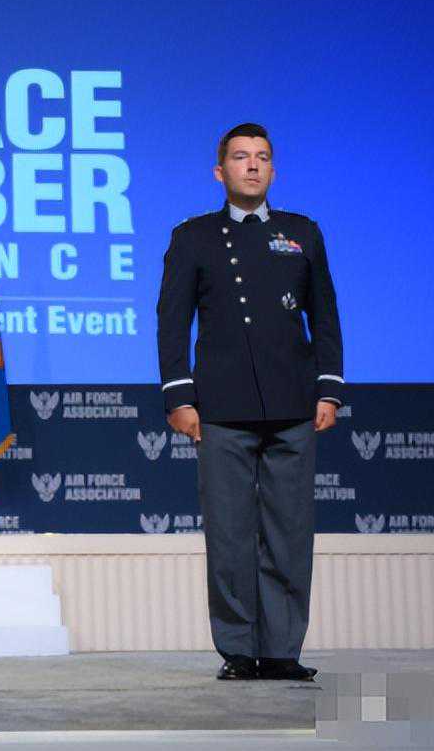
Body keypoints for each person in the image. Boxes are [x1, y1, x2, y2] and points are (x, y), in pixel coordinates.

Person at [156, 123, 343, 682]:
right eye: (241, 157)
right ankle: (238, 649)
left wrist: (329, 388)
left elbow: (325, 316)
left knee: (290, 532)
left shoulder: (302, 233)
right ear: (220, 171)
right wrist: (179, 396)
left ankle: (282, 650)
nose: (253, 165)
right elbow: (172, 323)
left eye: (262, 157)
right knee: (230, 535)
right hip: (221, 407)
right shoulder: (193, 236)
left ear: (273, 170)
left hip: (292, 402)